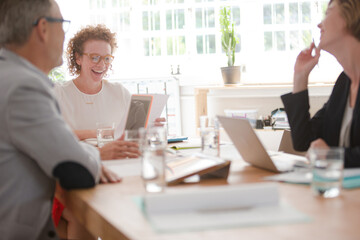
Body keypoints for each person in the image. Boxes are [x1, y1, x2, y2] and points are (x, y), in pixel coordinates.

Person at [0, 0, 108, 239]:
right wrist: (93, 154)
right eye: (62, 24)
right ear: (43, 29)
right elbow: (78, 169)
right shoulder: (22, 87)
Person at [281, 0, 360, 168]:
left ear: (351, 17)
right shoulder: (344, 83)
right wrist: (300, 77)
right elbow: (303, 141)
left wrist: (332, 156)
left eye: (328, 12)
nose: (319, 24)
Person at [54, 24, 145, 160]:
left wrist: (150, 125)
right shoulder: (59, 93)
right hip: (80, 165)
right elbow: (53, 136)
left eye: (107, 58)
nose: (102, 65)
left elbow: (132, 134)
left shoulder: (119, 92)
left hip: (119, 164)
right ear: (78, 58)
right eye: (95, 57)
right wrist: (101, 133)